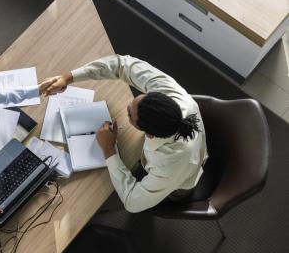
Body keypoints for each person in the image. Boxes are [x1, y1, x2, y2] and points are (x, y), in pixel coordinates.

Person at [43, 55, 208, 213]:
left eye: (129, 115)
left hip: (176, 186)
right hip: (174, 157)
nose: (126, 108)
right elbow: (123, 64)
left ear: (149, 135)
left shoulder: (169, 163)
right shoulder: (170, 93)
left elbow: (132, 203)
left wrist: (109, 149)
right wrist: (68, 77)